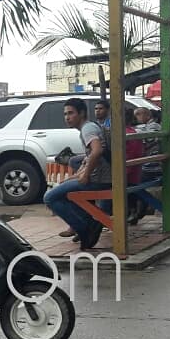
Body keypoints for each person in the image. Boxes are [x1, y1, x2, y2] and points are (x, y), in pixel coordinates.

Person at [44, 98, 111, 250]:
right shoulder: (89, 127)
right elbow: (90, 156)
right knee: (62, 188)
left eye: (71, 113)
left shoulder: (87, 129)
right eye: (65, 114)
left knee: (49, 197)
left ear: (81, 113)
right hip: (101, 177)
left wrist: (85, 175)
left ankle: (84, 228)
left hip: (100, 180)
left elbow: (97, 150)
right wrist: (77, 174)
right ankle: (89, 223)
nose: (67, 117)